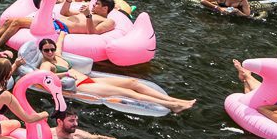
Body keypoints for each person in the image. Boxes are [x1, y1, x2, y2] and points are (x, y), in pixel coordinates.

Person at [31, 37, 196, 113]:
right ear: (41, 51)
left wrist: (62, 33)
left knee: (133, 82)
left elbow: (58, 44)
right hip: (83, 86)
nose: (51, 52)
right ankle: (172, 106)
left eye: (52, 49)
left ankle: (175, 100)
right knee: (128, 93)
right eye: (47, 50)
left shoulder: (57, 55)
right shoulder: (46, 64)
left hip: (90, 80)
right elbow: (42, 76)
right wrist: (64, 74)